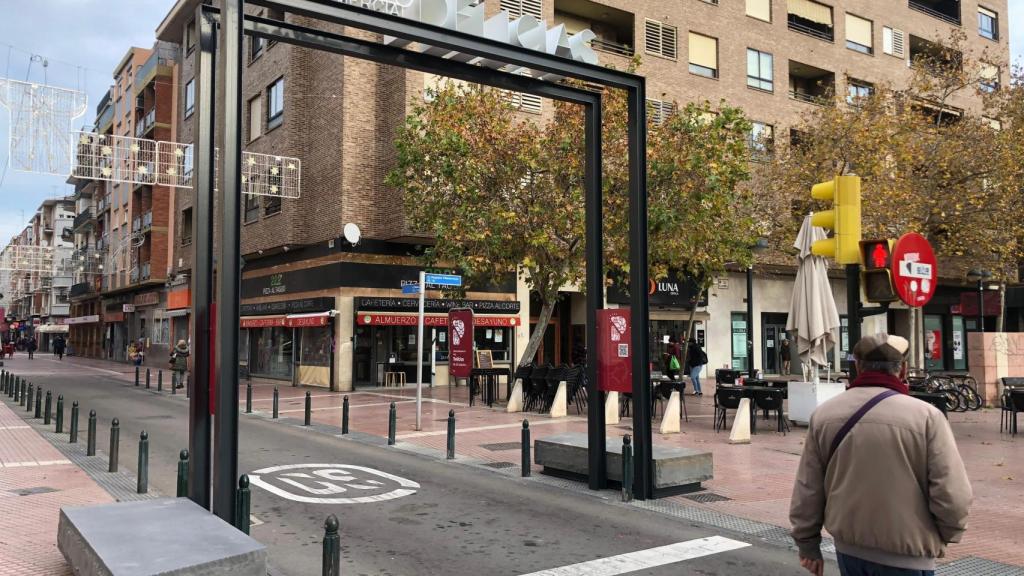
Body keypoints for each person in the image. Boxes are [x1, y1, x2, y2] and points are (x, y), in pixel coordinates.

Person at [790, 333, 971, 576]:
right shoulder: (927, 417)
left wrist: (808, 545)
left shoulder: (824, 415)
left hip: (849, 552)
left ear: (857, 366)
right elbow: (952, 493)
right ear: (903, 370)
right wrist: (947, 534)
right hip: (909, 557)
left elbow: (808, 488)